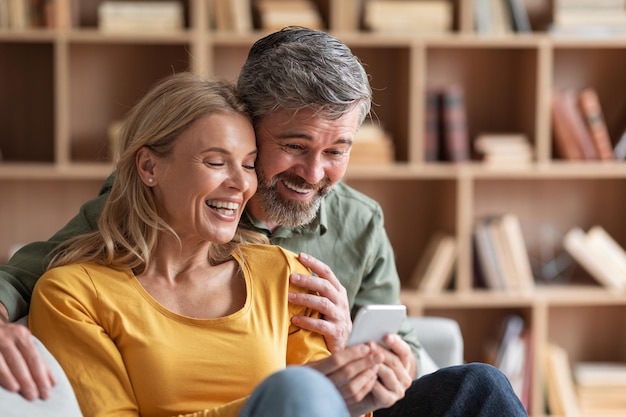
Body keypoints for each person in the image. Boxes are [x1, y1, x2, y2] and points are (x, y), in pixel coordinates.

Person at [0, 27, 527, 416]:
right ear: (247, 125)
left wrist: (356, 350)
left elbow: (398, 351)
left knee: (480, 386)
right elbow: (32, 274)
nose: (314, 173)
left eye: (337, 151)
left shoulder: (344, 230)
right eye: (294, 147)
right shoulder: (143, 209)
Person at [29, 72, 386, 417]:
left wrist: (359, 379)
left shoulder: (286, 275)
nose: (239, 184)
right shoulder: (73, 295)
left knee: (444, 386)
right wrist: (273, 401)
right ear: (149, 166)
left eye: (248, 165)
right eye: (216, 162)